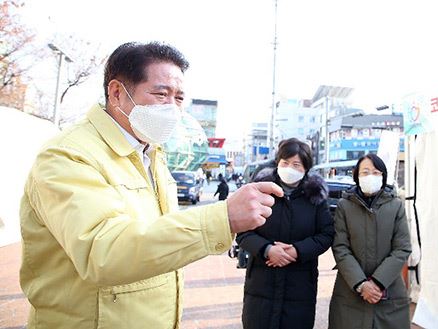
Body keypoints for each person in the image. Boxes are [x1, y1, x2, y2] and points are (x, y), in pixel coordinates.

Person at [19, 41, 283, 329]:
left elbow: (153, 242)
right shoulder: (69, 155)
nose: (172, 107)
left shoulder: (151, 155)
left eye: (179, 98)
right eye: (161, 94)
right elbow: (102, 251)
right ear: (117, 93)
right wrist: (222, 218)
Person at [236, 138, 334, 329]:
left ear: (306, 168)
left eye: (296, 164)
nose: (290, 168)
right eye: (285, 162)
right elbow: (243, 232)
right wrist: (267, 249)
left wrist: (297, 251)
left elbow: (326, 234)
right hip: (261, 284)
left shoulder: (316, 197)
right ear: (277, 163)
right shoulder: (259, 192)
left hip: (299, 286)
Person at [329, 153, 412, 329]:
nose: (370, 176)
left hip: (389, 290)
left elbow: (402, 248)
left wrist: (377, 282)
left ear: (383, 176)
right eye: (365, 172)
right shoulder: (345, 206)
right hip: (351, 290)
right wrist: (361, 284)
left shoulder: (396, 205)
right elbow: (340, 247)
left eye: (375, 172)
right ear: (357, 176)